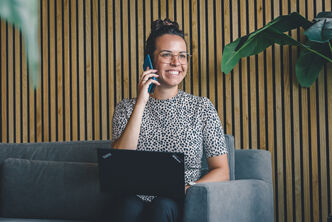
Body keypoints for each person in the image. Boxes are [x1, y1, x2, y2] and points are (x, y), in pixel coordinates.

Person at [111, 18, 229, 222]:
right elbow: (120, 163)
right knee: (127, 206)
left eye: (182, 56)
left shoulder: (202, 107)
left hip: (179, 198)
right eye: (167, 55)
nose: (176, 62)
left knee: (162, 205)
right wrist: (141, 102)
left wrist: (187, 189)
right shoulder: (126, 108)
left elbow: (222, 171)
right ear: (149, 61)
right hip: (135, 198)